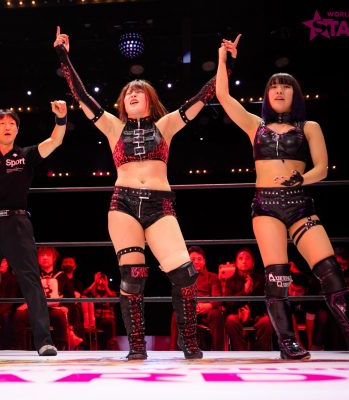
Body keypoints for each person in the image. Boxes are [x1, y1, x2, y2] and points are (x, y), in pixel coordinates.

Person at [215, 35, 349, 359]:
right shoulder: (256, 126)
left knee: (329, 268)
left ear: (295, 94)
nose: (279, 90)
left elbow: (322, 168)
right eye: (273, 86)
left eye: (286, 86)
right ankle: (288, 344)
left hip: (299, 204)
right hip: (266, 204)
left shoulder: (309, 126)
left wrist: (302, 178)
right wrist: (224, 59)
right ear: (267, 95)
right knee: (278, 274)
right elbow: (223, 97)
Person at [54, 26, 223, 360]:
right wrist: (63, 55)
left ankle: (189, 341)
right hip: (124, 204)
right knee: (132, 277)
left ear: (150, 99)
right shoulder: (112, 126)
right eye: (128, 91)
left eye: (139, 91)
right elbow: (82, 96)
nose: (132, 94)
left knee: (185, 273)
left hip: (160, 204)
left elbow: (203, 97)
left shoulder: (166, 124)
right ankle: (136, 346)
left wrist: (225, 62)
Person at [0, 102, 67, 357]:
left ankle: (44, 341)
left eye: (12, 124)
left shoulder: (26, 155)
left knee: (30, 280)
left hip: (17, 224)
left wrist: (61, 119)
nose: (7, 127)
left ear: (17, 130)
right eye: (2, 124)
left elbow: (54, 141)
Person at [13, 246, 81, 350]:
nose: (45, 257)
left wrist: (66, 306)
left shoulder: (62, 276)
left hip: (53, 309)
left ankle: (59, 347)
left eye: (48, 255)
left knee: (59, 315)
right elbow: (23, 292)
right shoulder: (31, 275)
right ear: (37, 258)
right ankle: (20, 348)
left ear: (54, 258)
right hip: (34, 309)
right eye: (41, 255)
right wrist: (25, 303)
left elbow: (70, 297)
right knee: (19, 315)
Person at [169, 246, 224, 350]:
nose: (196, 262)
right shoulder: (182, 278)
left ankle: (218, 351)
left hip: (207, 311)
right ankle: (173, 351)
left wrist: (208, 306)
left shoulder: (212, 277)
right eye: (193, 259)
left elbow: (218, 297)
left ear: (204, 261)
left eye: (199, 259)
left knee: (216, 314)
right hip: (189, 309)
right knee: (176, 314)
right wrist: (191, 306)